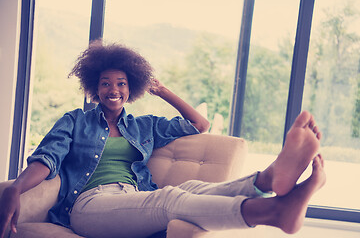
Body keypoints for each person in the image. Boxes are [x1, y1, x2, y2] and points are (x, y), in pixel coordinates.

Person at [0, 40, 325, 238]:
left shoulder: (144, 126)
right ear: (94, 88)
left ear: (132, 88)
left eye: (122, 83)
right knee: (169, 200)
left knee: (191, 189)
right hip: (89, 206)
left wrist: (162, 90)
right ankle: (272, 212)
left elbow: (199, 123)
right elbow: (47, 158)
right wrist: (15, 187)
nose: (114, 90)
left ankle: (269, 179)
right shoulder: (76, 121)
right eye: (105, 83)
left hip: (131, 197)